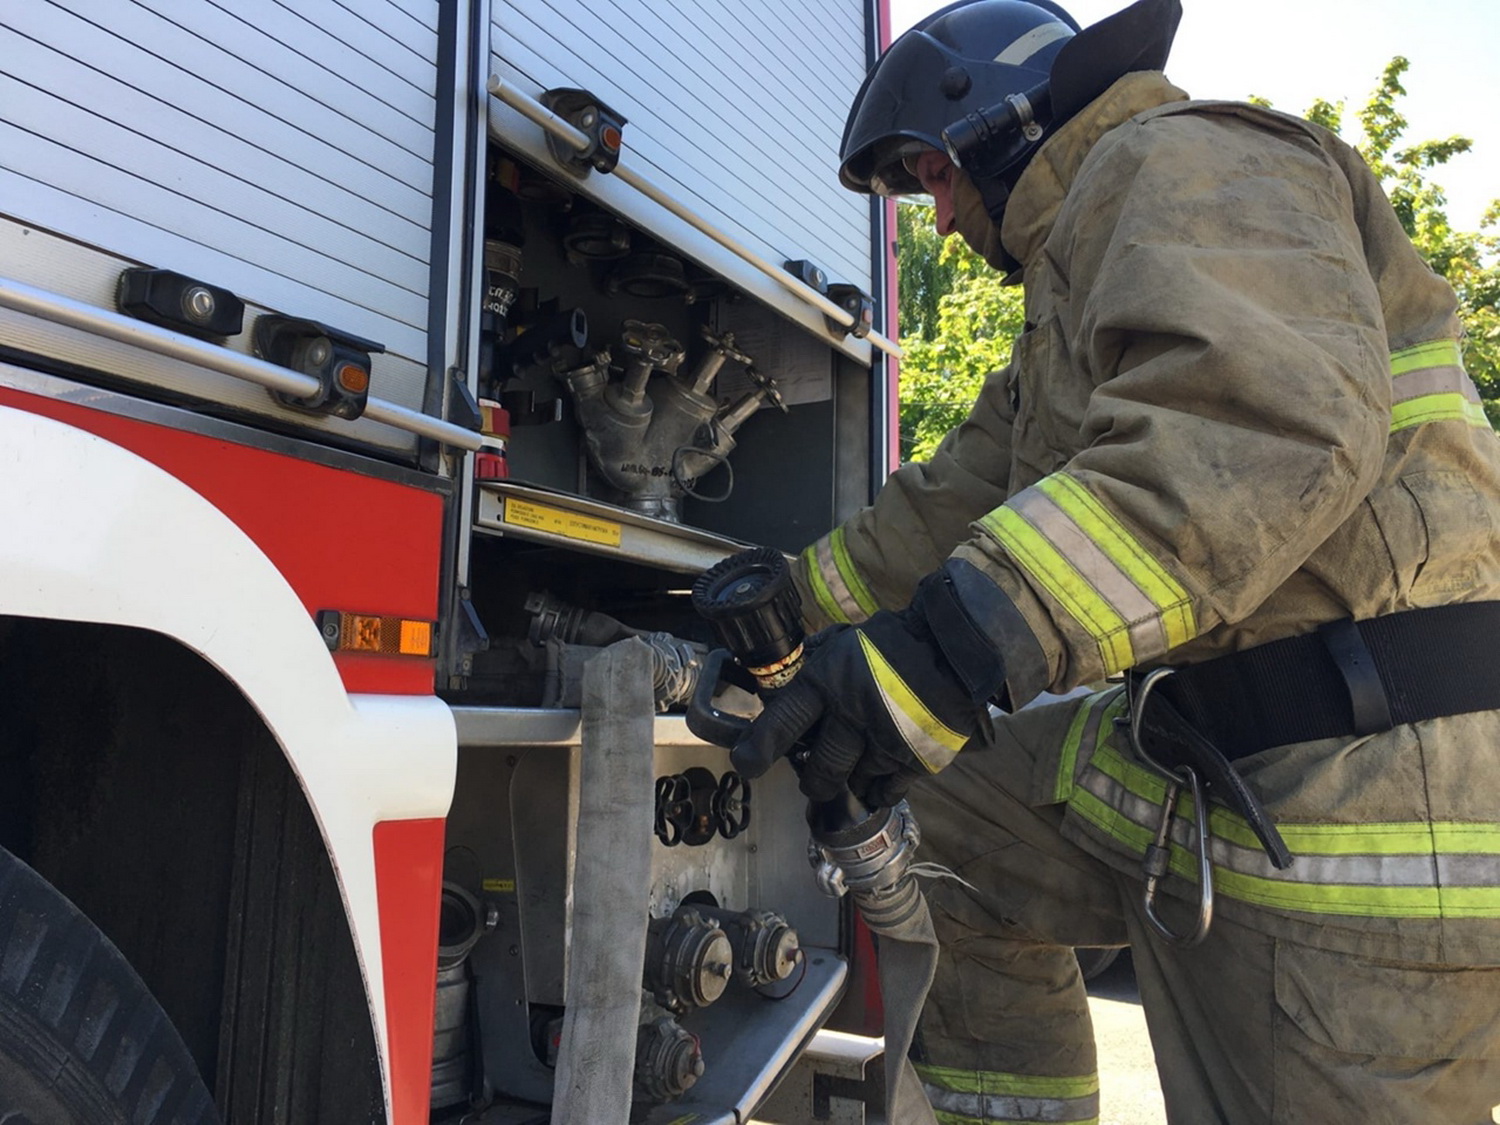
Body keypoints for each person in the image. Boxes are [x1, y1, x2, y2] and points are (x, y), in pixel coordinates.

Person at [732, 0, 1500, 1120]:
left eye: (934, 179)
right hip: (1215, 751)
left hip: (1369, 795)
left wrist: (943, 656)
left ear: (1000, 124)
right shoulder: (1078, 283)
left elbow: (1258, 432)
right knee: (943, 814)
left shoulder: (1185, 159)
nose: (939, 223)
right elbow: (951, 502)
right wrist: (787, 610)